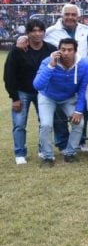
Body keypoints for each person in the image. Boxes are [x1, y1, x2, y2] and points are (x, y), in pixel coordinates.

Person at [4, 19, 57, 164]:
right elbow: (9, 75)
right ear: (28, 33)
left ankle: (43, 149)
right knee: (19, 124)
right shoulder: (18, 50)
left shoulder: (51, 50)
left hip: (44, 92)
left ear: (44, 33)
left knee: (45, 122)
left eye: (40, 30)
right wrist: (14, 97)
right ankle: (20, 152)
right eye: (33, 31)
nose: (37, 33)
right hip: (22, 92)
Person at [33, 38, 88, 166]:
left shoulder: (85, 65)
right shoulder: (47, 62)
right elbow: (37, 85)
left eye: (70, 50)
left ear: (75, 52)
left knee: (79, 123)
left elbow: (83, 89)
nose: (66, 53)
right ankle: (47, 156)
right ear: (58, 50)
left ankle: (70, 153)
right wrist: (51, 66)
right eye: (63, 49)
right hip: (47, 96)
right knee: (46, 125)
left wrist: (78, 110)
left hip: (69, 97)